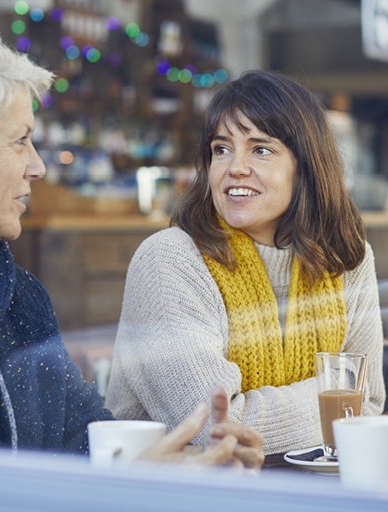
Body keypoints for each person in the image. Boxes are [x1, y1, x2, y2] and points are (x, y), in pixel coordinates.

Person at [0, 16, 263, 469]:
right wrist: (125, 487)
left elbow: (85, 443)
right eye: (19, 141)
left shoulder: (20, 299)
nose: (38, 167)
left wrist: (184, 464)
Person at [105, 70, 387, 456]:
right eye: (221, 149)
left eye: (260, 149)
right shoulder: (170, 261)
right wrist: (333, 400)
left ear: (305, 165)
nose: (235, 167)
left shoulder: (345, 259)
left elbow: (369, 408)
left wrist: (349, 406)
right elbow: (218, 433)